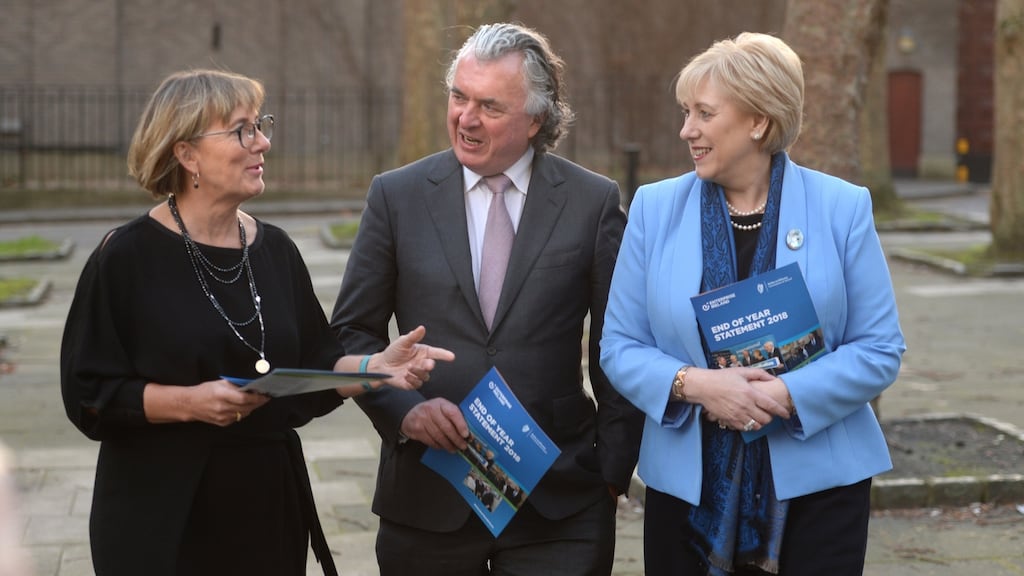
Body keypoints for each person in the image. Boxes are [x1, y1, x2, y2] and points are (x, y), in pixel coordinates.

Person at [59, 69, 455, 576]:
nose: (263, 141)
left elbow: (313, 363)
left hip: (266, 507)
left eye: (260, 125)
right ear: (187, 154)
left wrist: (377, 367)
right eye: (242, 130)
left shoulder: (275, 249)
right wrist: (190, 403)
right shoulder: (125, 257)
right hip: (161, 513)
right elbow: (88, 394)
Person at [330, 22, 643, 576]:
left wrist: (613, 469)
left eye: (490, 106)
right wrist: (406, 413)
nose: (466, 119)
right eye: (458, 97)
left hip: (560, 504)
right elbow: (350, 335)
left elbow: (619, 343)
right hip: (426, 497)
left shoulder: (592, 203)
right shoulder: (395, 196)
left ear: (536, 119)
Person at [600, 32, 905, 575]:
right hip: (686, 492)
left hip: (820, 492)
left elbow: (880, 349)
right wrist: (697, 385)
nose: (686, 130)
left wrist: (788, 394)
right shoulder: (653, 209)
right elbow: (619, 346)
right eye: (685, 112)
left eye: (703, 113)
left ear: (758, 122)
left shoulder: (842, 208)